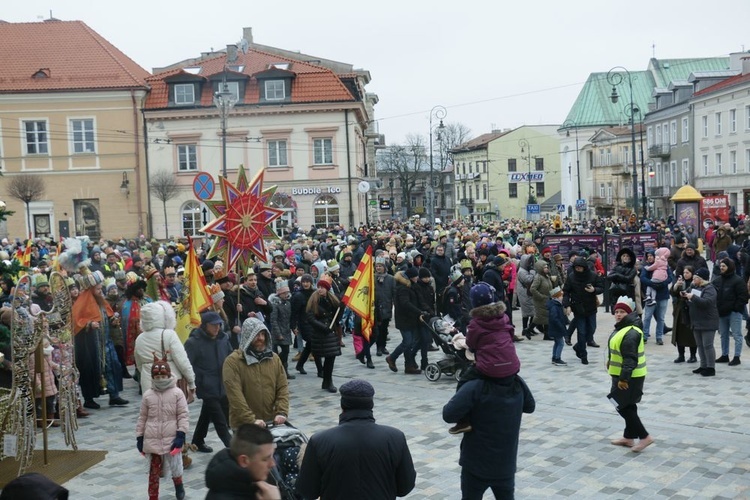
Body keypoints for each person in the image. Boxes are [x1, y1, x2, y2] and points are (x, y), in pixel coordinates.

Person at [296, 379, 416, 500]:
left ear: (342, 405)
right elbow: (405, 487)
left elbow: (308, 491)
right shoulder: (395, 437)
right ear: (371, 405)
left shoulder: (319, 441)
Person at [443, 353, 535, 499]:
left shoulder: (475, 386)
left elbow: (448, 414)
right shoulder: (517, 384)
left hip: (475, 465)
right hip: (505, 464)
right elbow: (530, 406)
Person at [449, 282, 521, 435]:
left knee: (463, 380)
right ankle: (524, 402)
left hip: (489, 367)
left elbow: (470, 344)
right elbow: (510, 334)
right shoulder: (504, 317)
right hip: (512, 365)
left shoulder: (476, 323)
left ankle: (463, 420)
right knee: (515, 378)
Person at [135, 353, 189, 500]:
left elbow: (183, 415)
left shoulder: (177, 393)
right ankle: (153, 496)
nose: (160, 380)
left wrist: (181, 434)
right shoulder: (148, 395)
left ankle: (178, 484)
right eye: (157, 377)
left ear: (168, 375)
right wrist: (140, 436)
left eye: (163, 377)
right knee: (153, 472)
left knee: (175, 466)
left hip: (172, 437)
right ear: (153, 377)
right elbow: (143, 417)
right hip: (152, 438)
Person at [223, 317, 290, 428]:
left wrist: (281, 412)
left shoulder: (274, 358)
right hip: (244, 426)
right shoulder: (233, 362)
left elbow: (282, 387)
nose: (261, 338)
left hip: (270, 423)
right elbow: (235, 396)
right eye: (257, 335)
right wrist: (250, 420)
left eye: (263, 334)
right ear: (248, 336)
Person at [607, 296, 654, 453]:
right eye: (617, 311)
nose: (618, 314)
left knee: (619, 403)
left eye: (622, 312)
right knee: (629, 405)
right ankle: (629, 437)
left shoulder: (631, 332)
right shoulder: (622, 328)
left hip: (630, 376)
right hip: (622, 374)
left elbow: (630, 359)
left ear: (628, 313)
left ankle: (644, 436)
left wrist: (623, 379)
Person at [184, 311, 233, 453]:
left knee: (208, 412)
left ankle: (198, 440)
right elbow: (186, 364)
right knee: (219, 418)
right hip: (205, 384)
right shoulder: (194, 342)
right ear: (205, 326)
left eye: (218, 325)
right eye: (213, 325)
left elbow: (230, 357)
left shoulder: (223, 338)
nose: (217, 328)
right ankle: (232, 446)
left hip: (222, 383)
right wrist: (193, 383)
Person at [204, 423, 281, 500]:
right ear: (244, 461)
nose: (272, 464)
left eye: (272, 456)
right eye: (265, 459)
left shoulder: (251, 483)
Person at [563, 257, 604, 365]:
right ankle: (583, 355)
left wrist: (594, 290)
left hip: (591, 307)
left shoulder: (593, 275)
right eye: (576, 268)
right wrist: (567, 305)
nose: (578, 269)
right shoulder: (571, 277)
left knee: (592, 328)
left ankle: (578, 346)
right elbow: (566, 292)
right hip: (578, 308)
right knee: (581, 332)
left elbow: (601, 287)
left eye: (580, 268)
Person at [306, 276, 342, 392]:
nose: (320, 289)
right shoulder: (314, 300)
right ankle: (326, 380)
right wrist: (323, 327)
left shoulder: (332, 299)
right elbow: (311, 318)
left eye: (322, 287)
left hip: (331, 333)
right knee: (324, 356)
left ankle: (328, 381)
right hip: (320, 334)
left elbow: (337, 317)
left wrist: (342, 307)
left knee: (331, 358)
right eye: (319, 287)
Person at [712, 258, 748, 366]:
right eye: (721, 266)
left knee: (737, 335)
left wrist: (736, 308)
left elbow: (743, 297)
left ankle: (737, 356)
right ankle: (725, 355)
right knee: (723, 334)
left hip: (734, 312)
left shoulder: (738, 280)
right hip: (722, 312)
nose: (721, 268)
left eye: (724, 266)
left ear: (730, 267)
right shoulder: (717, 280)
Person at [684, 267, 720, 376]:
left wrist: (693, 297)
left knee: (707, 345)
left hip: (708, 321)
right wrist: (686, 297)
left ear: (702, 279)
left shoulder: (709, 289)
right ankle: (703, 365)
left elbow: (707, 302)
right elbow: (692, 303)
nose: (693, 280)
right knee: (699, 345)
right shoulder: (694, 287)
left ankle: (710, 367)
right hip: (696, 321)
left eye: (695, 278)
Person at [387, 267, 421, 374]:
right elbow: (405, 303)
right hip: (404, 319)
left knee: (410, 343)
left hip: (410, 319)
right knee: (407, 342)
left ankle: (409, 366)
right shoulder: (403, 288)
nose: (417, 278)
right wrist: (418, 311)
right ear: (411, 277)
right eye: (415, 276)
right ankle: (392, 357)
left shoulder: (411, 286)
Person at [639, 250, 673, 345]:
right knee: (647, 317)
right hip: (650, 297)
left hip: (663, 295)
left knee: (661, 318)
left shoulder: (664, 265)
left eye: (651, 256)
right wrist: (652, 283)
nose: (649, 257)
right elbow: (643, 278)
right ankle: (645, 336)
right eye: (648, 256)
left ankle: (659, 337)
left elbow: (670, 278)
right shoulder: (647, 268)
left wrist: (662, 284)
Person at [669, 266, 698, 363]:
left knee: (691, 335)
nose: (685, 274)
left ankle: (693, 355)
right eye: (684, 272)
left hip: (691, 312)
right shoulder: (680, 282)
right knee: (679, 334)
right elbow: (672, 292)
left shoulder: (695, 283)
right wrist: (676, 285)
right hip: (679, 311)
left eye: (688, 273)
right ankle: (681, 355)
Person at [548, 286, 569, 366]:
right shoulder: (555, 306)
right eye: (561, 296)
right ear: (556, 297)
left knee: (557, 342)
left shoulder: (557, 304)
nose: (562, 297)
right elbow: (555, 318)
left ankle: (554, 357)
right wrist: (561, 325)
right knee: (560, 343)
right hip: (557, 328)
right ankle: (557, 358)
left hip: (555, 328)